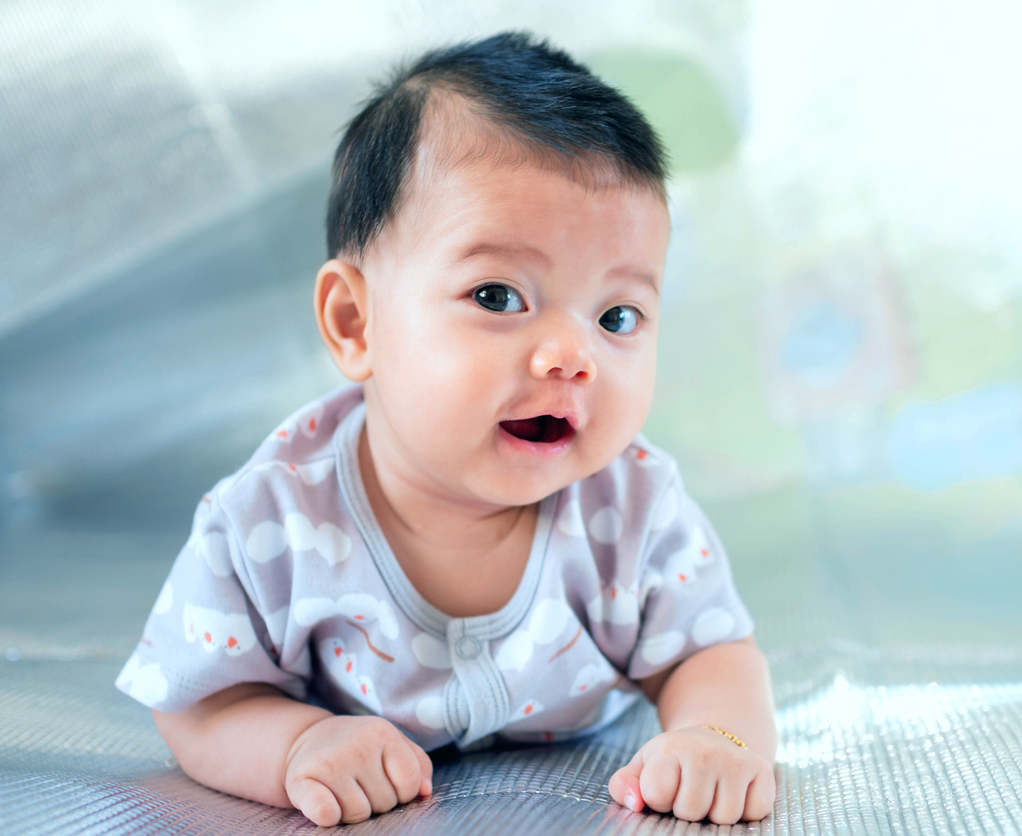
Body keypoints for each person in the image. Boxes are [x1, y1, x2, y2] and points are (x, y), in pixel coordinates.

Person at [116, 31, 777, 827]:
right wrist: (295, 746)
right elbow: (199, 703)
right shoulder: (272, 522)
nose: (573, 357)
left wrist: (714, 737)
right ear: (356, 322)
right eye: (499, 296)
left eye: (617, 315)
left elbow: (710, 653)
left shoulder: (631, 507)